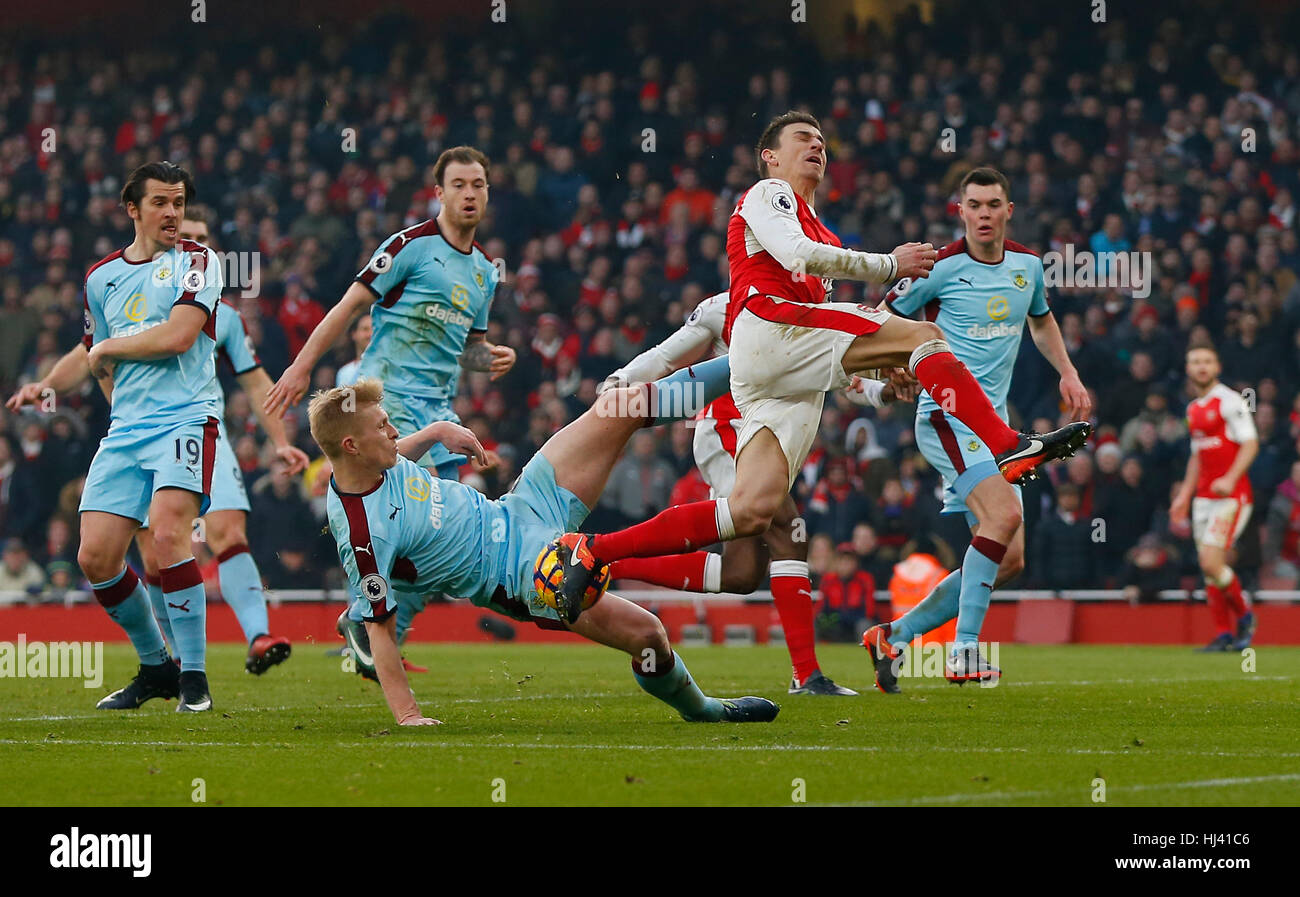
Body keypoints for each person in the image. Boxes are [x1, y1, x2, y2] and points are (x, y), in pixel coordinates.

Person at [553, 112, 1089, 625]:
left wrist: (884, 378)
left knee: (750, 512)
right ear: (770, 157)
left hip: (780, 379)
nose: (817, 146)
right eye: (803, 138)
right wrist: (887, 266)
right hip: (772, 331)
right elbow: (795, 255)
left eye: (823, 142)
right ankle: (1002, 442)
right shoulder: (767, 195)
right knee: (926, 335)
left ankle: (595, 550)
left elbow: (830, 324)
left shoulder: (826, 234)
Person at [309, 372, 778, 725]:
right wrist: (409, 716)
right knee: (649, 636)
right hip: (522, 576)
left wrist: (433, 433)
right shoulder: (363, 534)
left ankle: (754, 364)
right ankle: (706, 710)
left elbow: (392, 461)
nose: (393, 432)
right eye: (383, 426)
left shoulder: (369, 462)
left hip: (519, 509)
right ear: (351, 445)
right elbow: (383, 634)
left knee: (621, 406)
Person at [7, 210, 308, 676]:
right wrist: (44, 385)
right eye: (186, 236)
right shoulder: (126, 291)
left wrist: (280, 440)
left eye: (202, 239)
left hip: (199, 428)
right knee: (155, 549)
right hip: (139, 432)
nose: (193, 245)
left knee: (227, 531)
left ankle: (257, 636)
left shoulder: (223, 317)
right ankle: (169, 657)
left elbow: (253, 382)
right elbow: (86, 351)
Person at [264, 146, 516, 658]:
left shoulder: (486, 274)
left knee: (440, 534)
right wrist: (302, 365)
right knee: (402, 520)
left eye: (479, 185)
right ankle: (369, 623)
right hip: (388, 403)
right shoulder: (410, 246)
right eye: (459, 185)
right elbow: (349, 305)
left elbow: (465, 349)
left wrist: (487, 358)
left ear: (487, 193)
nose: (470, 194)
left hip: (439, 409)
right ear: (439, 192)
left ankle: (370, 640)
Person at [598, 290, 910, 695]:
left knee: (742, 574)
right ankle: (807, 675)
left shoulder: (812, 307)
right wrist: (619, 383)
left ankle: (608, 564)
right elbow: (666, 356)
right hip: (731, 431)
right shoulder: (722, 307)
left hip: (773, 439)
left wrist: (880, 391)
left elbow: (836, 370)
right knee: (789, 533)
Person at [862, 167, 1093, 691]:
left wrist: (1068, 373)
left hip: (994, 427)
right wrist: (893, 369)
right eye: (974, 205)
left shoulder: (1029, 266)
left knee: (1009, 558)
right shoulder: (937, 268)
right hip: (946, 418)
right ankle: (965, 652)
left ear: (1008, 210)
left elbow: (1041, 319)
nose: (984, 214)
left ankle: (892, 637)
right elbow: (878, 320)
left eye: (993, 204)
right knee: (1005, 514)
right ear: (960, 211)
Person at [73, 162, 220, 711]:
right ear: (132, 209)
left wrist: (108, 350)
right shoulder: (99, 278)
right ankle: (157, 667)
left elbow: (181, 336)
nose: (172, 213)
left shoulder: (200, 262)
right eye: (160, 202)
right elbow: (100, 367)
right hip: (127, 430)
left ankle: (195, 678)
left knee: (166, 536)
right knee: (95, 557)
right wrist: (112, 383)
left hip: (186, 419)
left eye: (178, 202)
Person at [1170, 344, 1259, 651]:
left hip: (1232, 497)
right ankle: (1223, 634)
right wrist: (1183, 495)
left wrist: (1230, 478)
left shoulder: (1231, 401)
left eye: (1207, 361)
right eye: (1195, 361)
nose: (1202, 366)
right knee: (1209, 568)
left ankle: (1245, 617)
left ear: (1217, 367)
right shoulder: (1192, 409)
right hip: (1203, 499)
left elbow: (1250, 443)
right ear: (1188, 369)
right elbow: (1196, 457)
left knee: (1210, 562)